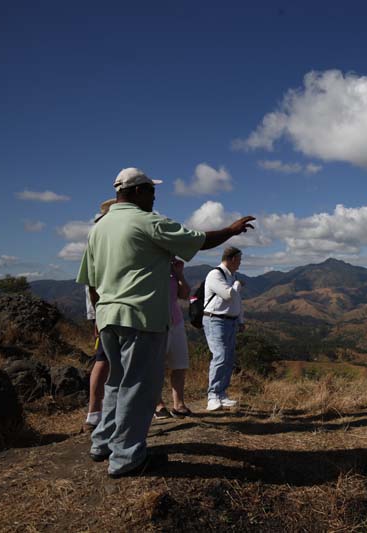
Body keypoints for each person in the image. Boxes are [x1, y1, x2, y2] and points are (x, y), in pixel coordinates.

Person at [76, 167, 254, 478]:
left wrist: (99, 314)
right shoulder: (146, 221)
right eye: (151, 191)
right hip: (140, 317)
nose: (154, 197)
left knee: (117, 381)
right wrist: (231, 229)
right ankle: (127, 458)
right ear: (137, 192)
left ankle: (102, 443)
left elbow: (90, 281)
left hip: (108, 317)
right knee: (140, 387)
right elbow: (198, 240)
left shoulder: (99, 228)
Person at [84, 199, 116, 430]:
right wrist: (96, 316)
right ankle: (97, 413)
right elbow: (93, 282)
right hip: (107, 311)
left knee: (104, 360)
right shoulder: (103, 237)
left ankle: (96, 413)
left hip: (104, 311)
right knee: (103, 360)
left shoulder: (99, 236)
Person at [203, 246, 245, 411]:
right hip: (216, 320)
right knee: (220, 356)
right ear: (232, 259)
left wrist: (241, 320)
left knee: (228, 358)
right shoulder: (215, 275)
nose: (240, 264)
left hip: (230, 321)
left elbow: (237, 301)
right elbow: (229, 295)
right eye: (239, 260)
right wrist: (237, 285)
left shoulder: (232, 276)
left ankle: (221, 393)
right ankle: (212, 395)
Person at [154, 258, 192, 419]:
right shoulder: (150, 269)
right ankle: (158, 403)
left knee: (179, 364)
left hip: (175, 320)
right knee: (156, 366)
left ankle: (178, 403)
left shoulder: (172, 274)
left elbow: (185, 294)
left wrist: (179, 275)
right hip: (155, 323)